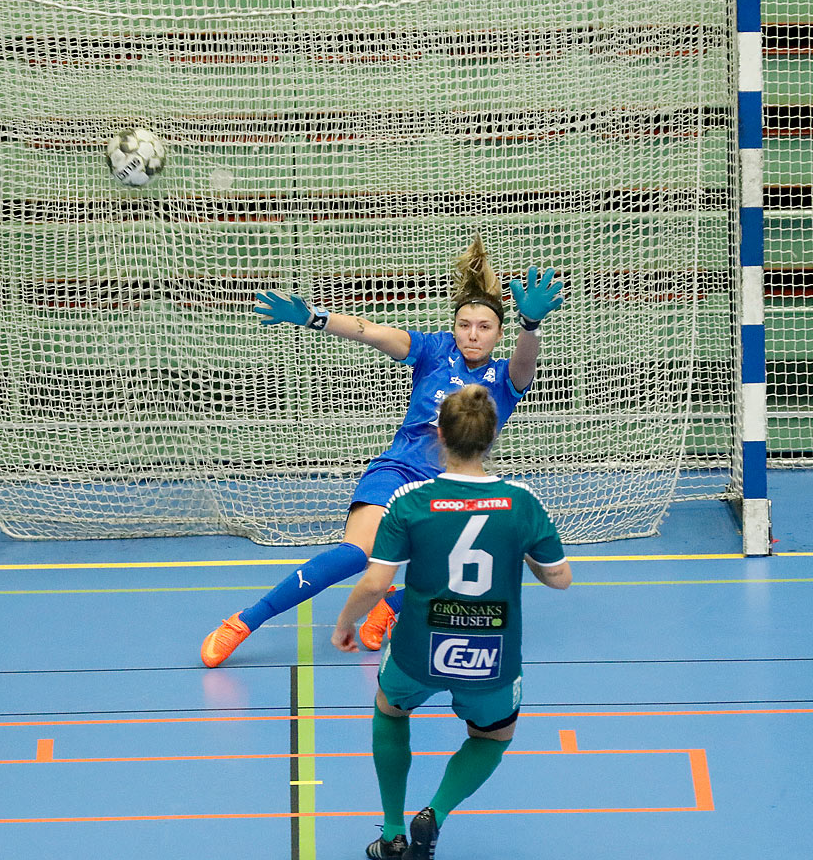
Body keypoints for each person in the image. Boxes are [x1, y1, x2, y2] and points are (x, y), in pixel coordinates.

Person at [199, 236, 564, 667]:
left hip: (451, 484)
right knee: (356, 554)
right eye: (465, 324)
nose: (473, 334)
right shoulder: (432, 351)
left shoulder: (505, 378)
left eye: (484, 327)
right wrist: (315, 317)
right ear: (454, 328)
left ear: (498, 333)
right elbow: (369, 332)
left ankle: (390, 606)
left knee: (474, 559)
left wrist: (531, 325)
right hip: (400, 473)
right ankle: (245, 621)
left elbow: (526, 363)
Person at [332, 384, 571, 860]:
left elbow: (377, 581)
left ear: (438, 434)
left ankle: (393, 832)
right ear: (493, 436)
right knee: (492, 736)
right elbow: (559, 578)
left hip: (421, 647)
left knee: (391, 709)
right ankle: (434, 813)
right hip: (491, 654)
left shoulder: (411, 499)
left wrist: (346, 621)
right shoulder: (521, 502)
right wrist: (523, 549)